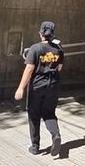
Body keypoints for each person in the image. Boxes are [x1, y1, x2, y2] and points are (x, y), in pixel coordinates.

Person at [15, 21, 64, 156]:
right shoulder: (59, 49)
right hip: (53, 85)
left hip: (37, 86)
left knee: (34, 114)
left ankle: (35, 146)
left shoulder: (35, 48)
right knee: (49, 113)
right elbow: (60, 68)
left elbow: (29, 69)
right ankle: (56, 135)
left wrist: (20, 88)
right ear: (53, 33)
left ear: (40, 33)